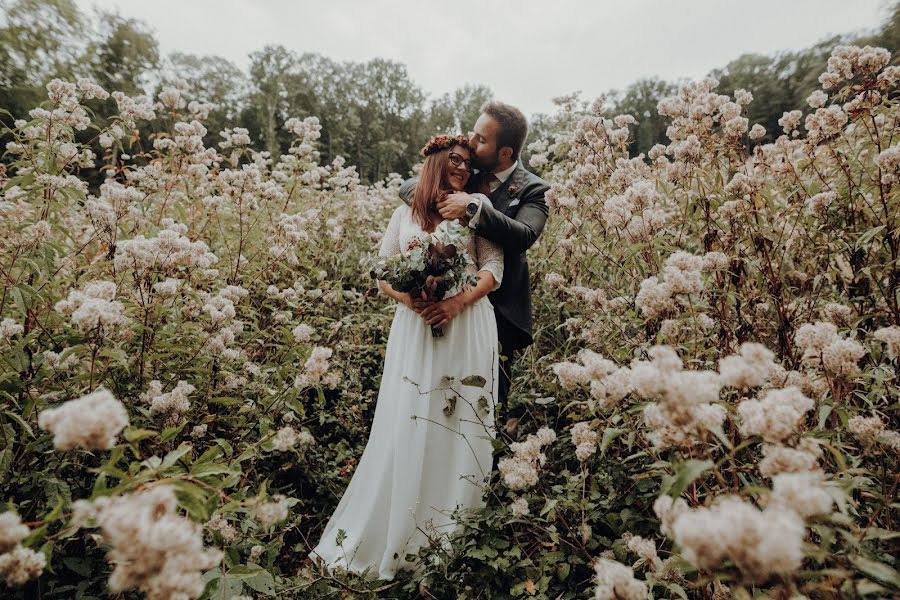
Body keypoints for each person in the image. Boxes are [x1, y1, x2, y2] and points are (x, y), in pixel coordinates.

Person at [308, 135, 504, 580]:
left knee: (461, 422)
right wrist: (410, 297)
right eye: (455, 159)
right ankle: (396, 531)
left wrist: (454, 304)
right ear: (434, 161)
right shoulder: (405, 214)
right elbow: (382, 270)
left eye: (468, 163)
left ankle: (453, 537)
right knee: (412, 415)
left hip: (467, 325)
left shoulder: (476, 209)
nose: (462, 168)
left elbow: (494, 269)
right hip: (415, 328)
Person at [400, 101, 550, 427]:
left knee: (489, 399)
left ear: (505, 153)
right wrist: (434, 201)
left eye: (481, 139)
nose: (471, 142)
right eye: (473, 133)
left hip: (500, 308)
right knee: (439, 388)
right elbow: (410, 185)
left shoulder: (534, 189)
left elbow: (524, 235)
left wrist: (471, 207)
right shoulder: (465, 171)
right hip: (448, 302)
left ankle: (487, 471)